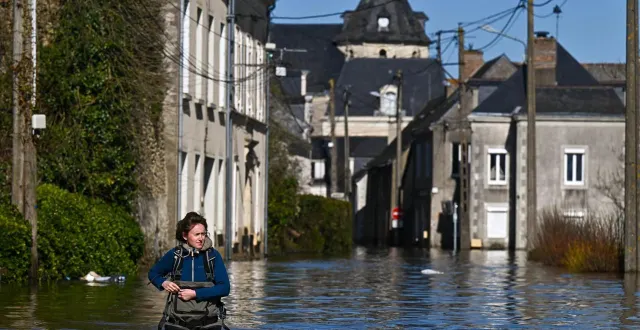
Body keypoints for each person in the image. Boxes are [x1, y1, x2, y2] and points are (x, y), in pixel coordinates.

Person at [148, 212, 230, 330]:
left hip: (208, 324)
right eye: (197, 234)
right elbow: (153, 273)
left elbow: (224, 288)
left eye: (203, 234)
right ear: (185, 236)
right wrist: (164, 283)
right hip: (177, 325)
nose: (201, 238)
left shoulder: (213, 256)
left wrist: (195, 294)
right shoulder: (175, 255)